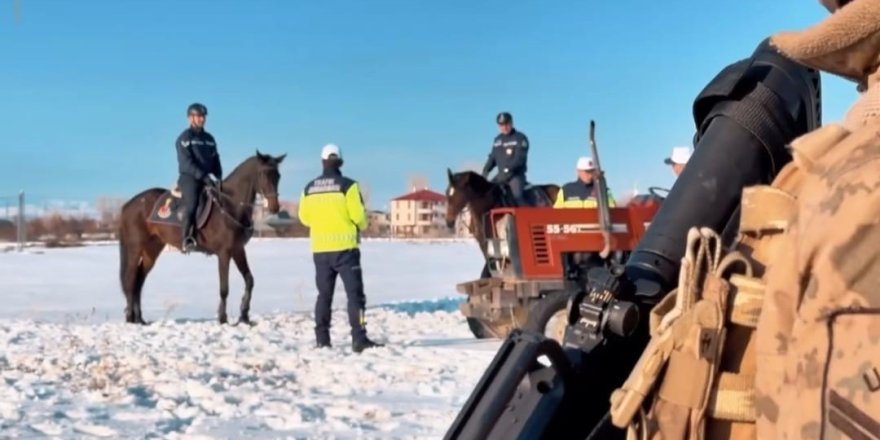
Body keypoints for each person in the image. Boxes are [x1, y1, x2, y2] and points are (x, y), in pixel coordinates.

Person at [297, 144, 383, 353]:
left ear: (322, 162)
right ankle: (359, 338)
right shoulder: (349, 186)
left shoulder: (308, 189)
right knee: (355, 296)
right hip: (346, 251)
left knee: (324, 296)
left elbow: (304, 218)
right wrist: (360, 226)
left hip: (320, 251)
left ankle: (322, 339)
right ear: (341, 162)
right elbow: (359, 217)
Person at [175, 102, 222, 253]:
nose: (202, 119)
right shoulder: (184, 138)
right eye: (199, 116)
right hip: (190, 178)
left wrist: (219, 176)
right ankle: (186, 238)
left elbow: (215, 159)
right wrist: (203, 176)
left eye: (203, 116)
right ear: (190, 118)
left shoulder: (210, 139)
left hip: (207, 177)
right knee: (193, 203)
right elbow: (186, 163)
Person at [482, 112, 529, 205]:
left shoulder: (520, 138)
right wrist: (485, 170)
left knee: (517, 197)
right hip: (501, 176)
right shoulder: (497, 140)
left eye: (506, 124)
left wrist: (508, 169)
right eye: (501, 125)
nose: (504, 127)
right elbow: (492, 158)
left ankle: (528, 217)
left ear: (511, 123)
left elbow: (520, 159)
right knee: (487, 194)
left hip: (516, 176)